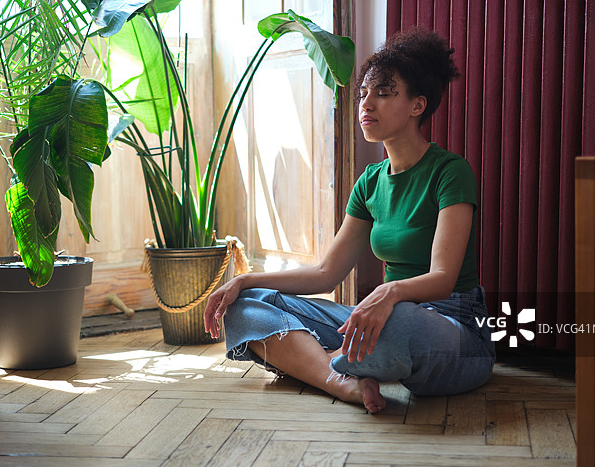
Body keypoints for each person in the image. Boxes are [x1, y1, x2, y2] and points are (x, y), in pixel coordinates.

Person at [203, 26, 496, 414]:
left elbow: (442, 279)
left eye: (384, 93)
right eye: (364, 94)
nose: (366, 104)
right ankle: (341, 381)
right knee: (247, 305)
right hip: (384, 314)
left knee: (397, 321)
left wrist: (388, 294)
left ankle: (319, 359)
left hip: (453, 333)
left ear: (417, 105)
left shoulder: (450, 171)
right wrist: (244, 279)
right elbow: (326, 273)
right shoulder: (370, 182)